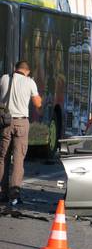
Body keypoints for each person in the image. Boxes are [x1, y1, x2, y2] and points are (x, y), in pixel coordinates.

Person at [0, 61, 42, 205]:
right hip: (22, 123)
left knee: (3, 158)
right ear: (27, 71)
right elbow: (38, 104)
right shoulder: (30, 82)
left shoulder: (4, 78)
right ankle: (14, 195)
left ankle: (2, 193)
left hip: (5, 122)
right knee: (18, 160)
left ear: (15, 69)